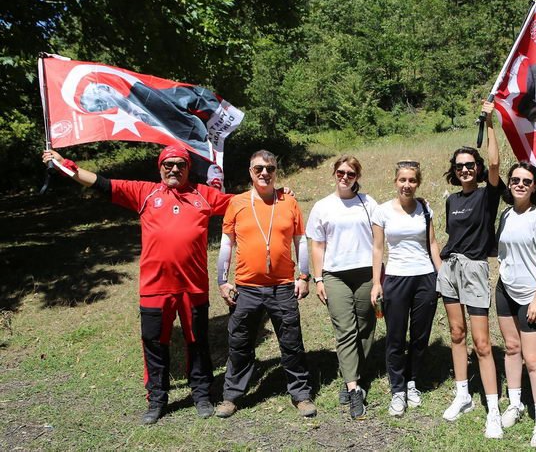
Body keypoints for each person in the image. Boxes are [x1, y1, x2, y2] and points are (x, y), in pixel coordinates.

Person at [41, 145, 230, 425]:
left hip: (194, 287)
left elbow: (243, 203)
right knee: (154, 344)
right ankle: (157, 399)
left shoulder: (205, 195)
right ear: (160, 167)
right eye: (168, 164)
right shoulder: (144, 192)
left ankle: (201, 395)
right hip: (155, 288)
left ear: (189, 168)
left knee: (197, 342)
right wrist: (63, 164)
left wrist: (277, 194)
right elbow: (100, 183)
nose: (174, 169)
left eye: (180, 164)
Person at [215, 150, 316, 419]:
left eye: (270, 168)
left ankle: (301, 394)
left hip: (283, 287)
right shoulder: (236, 203)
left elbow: (300, 241)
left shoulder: (289, 202)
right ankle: (232, 396)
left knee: (291, 342)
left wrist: (304, 276)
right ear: (250, 171)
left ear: (276, 171)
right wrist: (222, 281)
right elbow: (227, 244)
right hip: (246, 288)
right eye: (259, 168)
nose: (264, 173)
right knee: (240, 342)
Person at [437, 100, 505, 438]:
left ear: (477, 168)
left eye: (470, 165)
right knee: (457, 334)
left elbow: (495, 160)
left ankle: (492, 408)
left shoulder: (487, 194)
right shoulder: (451, 200)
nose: (466, 170)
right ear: (454, 169)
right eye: (460, 165)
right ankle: (463, 394)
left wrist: (489, 122)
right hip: (449, 270)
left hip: (475, 270)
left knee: (481, 342)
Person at [306, 155, 377, 420]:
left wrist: (379, 278)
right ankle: (354, 387)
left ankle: (353, 373)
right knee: (345, 329)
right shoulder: (323, 206)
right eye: (340, 172)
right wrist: (319, 278)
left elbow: (380, 242)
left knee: (366, 328)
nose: (345, 177)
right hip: (335, 275)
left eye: (350, 173)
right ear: (333, 173)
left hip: (366, 274)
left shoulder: (368, 203)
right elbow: (317, 244)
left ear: (357, 176)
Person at [370, 160, 442, 418]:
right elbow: (378, 249)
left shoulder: (424, 208)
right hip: (396, 279)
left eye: (412, 180)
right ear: (395, 182)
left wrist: (440, 274)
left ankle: (412, 382)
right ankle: (397, 389)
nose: (407, 185)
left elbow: (432, 243)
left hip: (425, 278)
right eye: (403, 180)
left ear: (418, 183)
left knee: (420, 336)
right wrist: (377, 282)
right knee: (396, 337)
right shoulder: (382, 211)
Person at [495, 162, 536, 449]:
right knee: (511, 349)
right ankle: (516, 404)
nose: (520, 184)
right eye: (515, 179)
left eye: (526, 181)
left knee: (533, 360)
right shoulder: (506, 215)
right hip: (504, 289)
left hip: (530, 295)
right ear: (509, 184)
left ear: (535, 187)